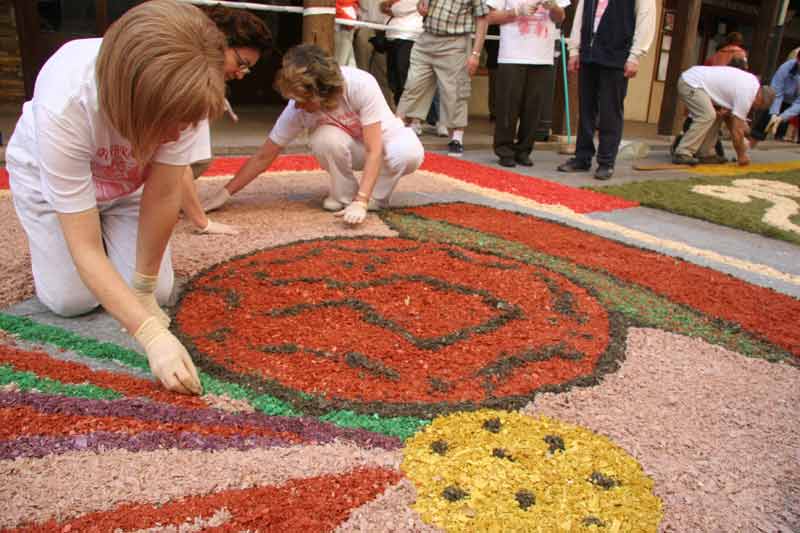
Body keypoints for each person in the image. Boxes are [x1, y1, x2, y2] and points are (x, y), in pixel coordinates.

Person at [5, 0, 227, 394]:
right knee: (69, 299)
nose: (178, 137)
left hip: (126, 186)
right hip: (49, 185)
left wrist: (141, 290)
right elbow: (85, 246)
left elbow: (162, 196)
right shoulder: (67, 103)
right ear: (134, 103)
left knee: (155, 290)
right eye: (168, 126)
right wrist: (150, 336)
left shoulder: (189, 93)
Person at [202, 44, 424, 224]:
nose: (296, 107)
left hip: (384, 144)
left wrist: (363, 201)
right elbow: (264, 156)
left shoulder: (360, 84)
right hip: (353, 148)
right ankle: (343, 195)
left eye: (300, 101)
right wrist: (224, 194)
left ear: (321, 93)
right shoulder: (295, 108)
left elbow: (373, 149)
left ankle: (375, 197)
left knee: (408, 153)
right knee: (324, 137)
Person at [180, 5, 273, 236]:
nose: (241, 74)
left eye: (247, 69)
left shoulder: (197, 72)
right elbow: (175, 160)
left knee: (198, 159)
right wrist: (203, 223)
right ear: (218, 42)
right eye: (242, 63)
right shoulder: (178, 74)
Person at [557, 0, 656, 180]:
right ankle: (582, 157)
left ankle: (606, 161)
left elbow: (645, 20)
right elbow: (580, 16)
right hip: (589, 52)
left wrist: (635, 55)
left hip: (616, 54)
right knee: (586, 108)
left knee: (610, 111)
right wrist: (574, 50)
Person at [395, 0, 489, 156]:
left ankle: (457, 139)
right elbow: (422, 7)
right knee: (413, 85)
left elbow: (483, 18)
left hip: (454, 42)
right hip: (426, 38)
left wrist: (476, 54)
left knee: (455, 91)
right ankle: (395, 132)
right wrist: (422, 6)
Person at [487, 0, 568, 168]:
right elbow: (490, 17)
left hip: (542, 56)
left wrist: (553, 7)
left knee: (534, 107)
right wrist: (516, 11)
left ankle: (524, 150)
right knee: (508, 105)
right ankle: (504, 150)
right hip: (512, 54)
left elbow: (561, 17)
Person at [672, 65, 774, 166]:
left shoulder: (752, 85)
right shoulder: (748, 94)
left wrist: (746, 135)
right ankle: (683, 152)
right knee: (707, 115)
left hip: (695, 81)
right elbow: (736, 130)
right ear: (760, 98)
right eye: (758, 106)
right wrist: (741, 155)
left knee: (718, 116)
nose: (754, 108)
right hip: (691, 82)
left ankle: (705, 153)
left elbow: (731, 120)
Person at [750, 56, 800, 143]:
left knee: (781, 128)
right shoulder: (786, 67)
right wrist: (774, 113)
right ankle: (747, 149)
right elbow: (777, 91)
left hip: (795, 102)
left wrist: (782, 117)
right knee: (764, 123)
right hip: (781, 96)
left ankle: (780, 138)